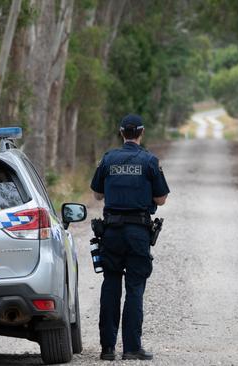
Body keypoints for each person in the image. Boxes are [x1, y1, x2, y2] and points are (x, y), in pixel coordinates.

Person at [90, 114, 170, 361]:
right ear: (141, 133)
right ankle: (132, 348)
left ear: (121, 132)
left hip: (111, 232)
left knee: (111, 285)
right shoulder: (149, 161)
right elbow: (161, 199)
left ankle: (107, 348)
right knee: (135, 288)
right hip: (138, 233)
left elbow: (96, 194)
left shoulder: (108, 159)